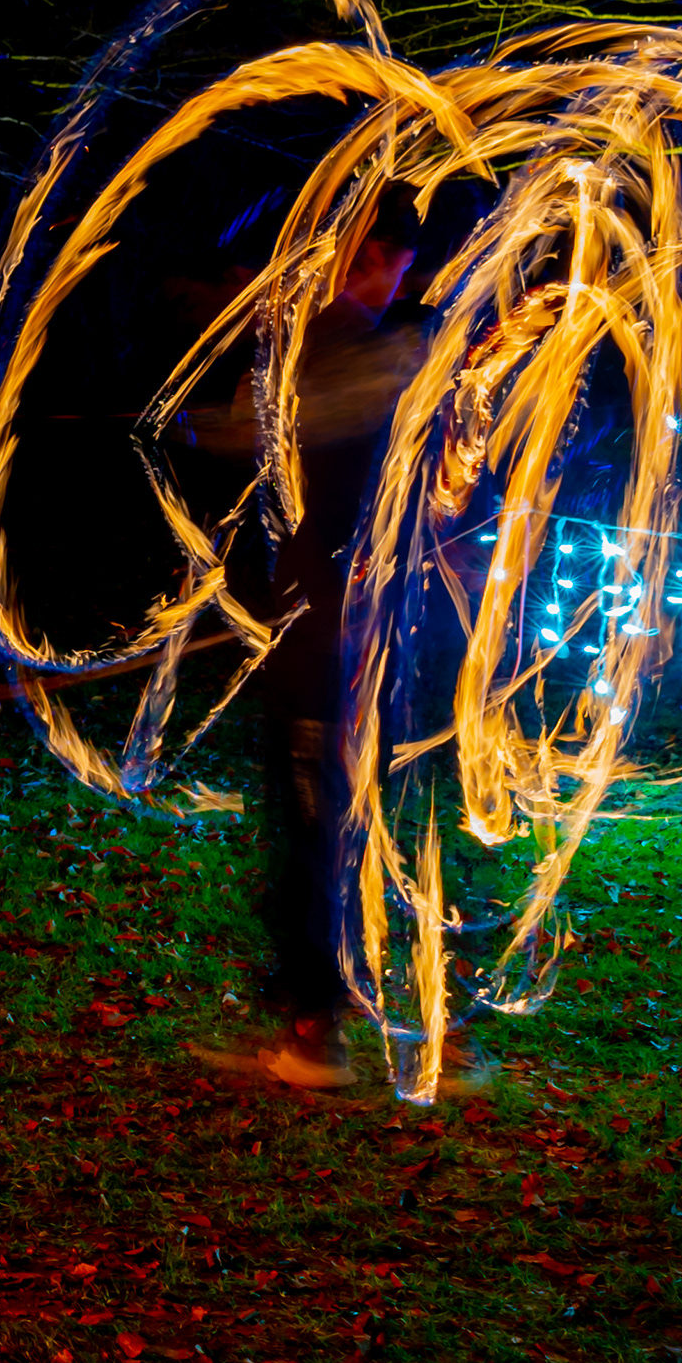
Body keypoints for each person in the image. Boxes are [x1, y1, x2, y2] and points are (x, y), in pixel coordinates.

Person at [172, 198, 431, 1090]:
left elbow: (267, 425)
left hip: (335, 638)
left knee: (322, 832)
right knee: (345, 826)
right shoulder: (366, 352)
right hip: (341, 632)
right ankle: (383, 1024)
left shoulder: (351, 352)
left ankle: (320, 1032)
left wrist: (189, 423)